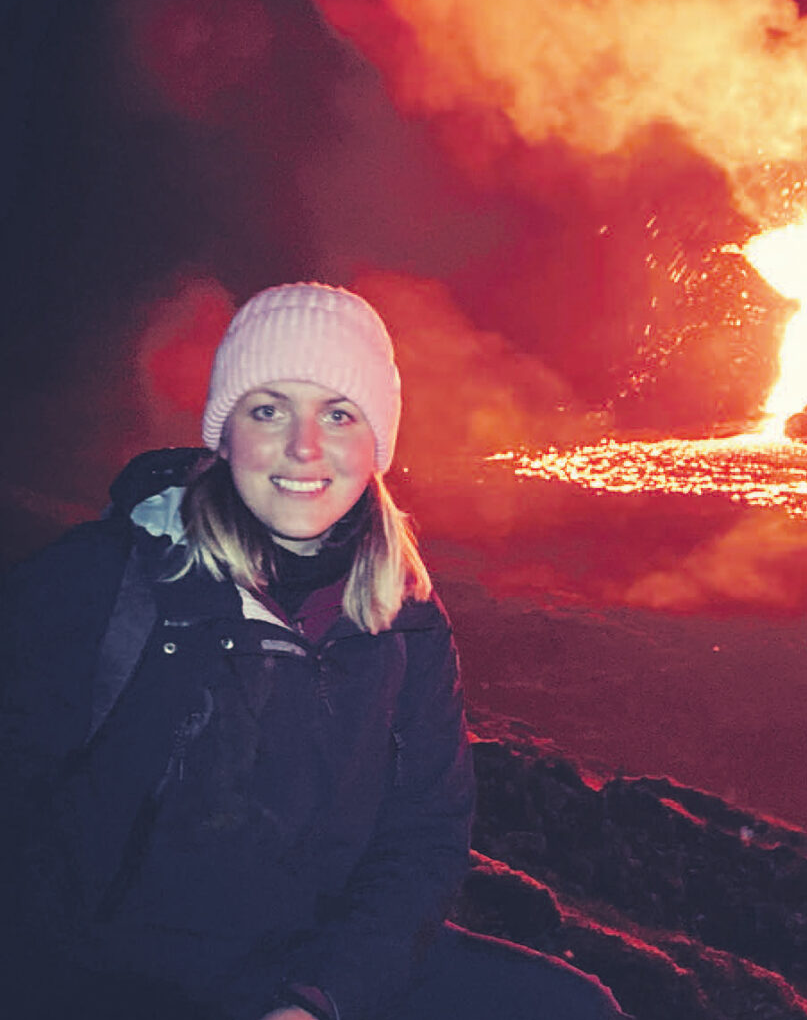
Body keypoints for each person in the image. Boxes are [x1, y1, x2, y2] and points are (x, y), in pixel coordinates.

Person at [0, 283, 629, 1020]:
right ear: (225, 431)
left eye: (338, 413)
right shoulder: (101, 580)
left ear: (377, 444)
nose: (304, 447)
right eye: (269, 409)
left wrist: (321, 998)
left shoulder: (408, 620)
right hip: (112, 983)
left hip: (314, 969)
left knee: (570, 1007)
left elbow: (423, 845)